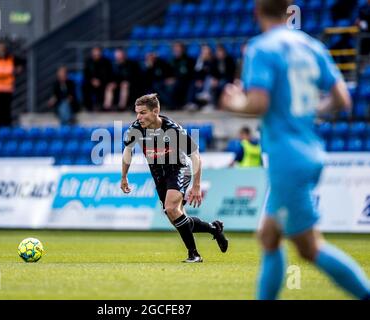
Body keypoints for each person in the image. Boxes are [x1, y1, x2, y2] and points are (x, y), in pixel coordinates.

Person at [221, 0, 370, 300]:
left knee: (309, 247)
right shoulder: (312, 45)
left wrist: (233, 101)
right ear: (288, 10)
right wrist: (309, 114)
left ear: (257, 12)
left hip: (286, 158)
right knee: (269, 236)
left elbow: (258, 104)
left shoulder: (261, 48)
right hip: (310, 150)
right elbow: (342, 98)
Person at [120, 93, 228, 263]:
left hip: (179, 169)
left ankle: (194, 254)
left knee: (171, 208)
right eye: (137, 113)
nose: (138, 117)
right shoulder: (136, 129)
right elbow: (128, 151)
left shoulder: (172, 129)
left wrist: (197, 185)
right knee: (176, 216)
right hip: (158, 175)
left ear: (155, 111)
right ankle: (214, 228)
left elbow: (195, 155)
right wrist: (124, 176)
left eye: (143, 113)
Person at [0, 41, 23, 127]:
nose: (2, 50)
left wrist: (18, 69)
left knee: (6, 112)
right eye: (0, 48)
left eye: (3, 48)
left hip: (7, 90)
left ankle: (6, 131)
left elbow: (23, 62)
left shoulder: (11, 59)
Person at [82, 46, 113, 111]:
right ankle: (88, 107)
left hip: (103, 82)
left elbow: (108, 75)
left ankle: (103, 106)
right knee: (85, 87)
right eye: (95, 54)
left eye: (98, 54)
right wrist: (92, 80)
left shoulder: (106, 62)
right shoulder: (88, 62)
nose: (96, 56)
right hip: (91, 82)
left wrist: (100, 81)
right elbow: (86, 74)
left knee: (106, 87)